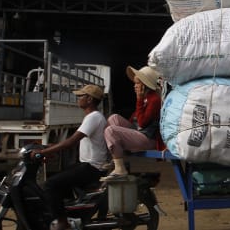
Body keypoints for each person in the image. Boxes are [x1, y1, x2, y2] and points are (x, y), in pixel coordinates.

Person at [31, 84, 109, 230]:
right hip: (87, 165)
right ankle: (70, 215)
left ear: (90, 99)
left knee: (50, 185)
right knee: (59, 181)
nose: (77, 98)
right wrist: (48, 148)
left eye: (81, 96)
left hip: (91, 167)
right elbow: (72, 141)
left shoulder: (93, 117)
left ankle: (62, 222)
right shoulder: (92, 117)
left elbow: (71, 141)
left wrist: (44, 152)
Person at [102, 65, 165, 179]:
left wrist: (139, 100)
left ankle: (120, 169)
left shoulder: (154, 99)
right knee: (114, 118)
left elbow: (142, 123)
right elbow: (135, 119)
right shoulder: (146, 98)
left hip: (148, 139)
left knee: (111, 131)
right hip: (140, 133)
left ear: (145, 85)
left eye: (137, 83)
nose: (134, 86)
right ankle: (117, 158)